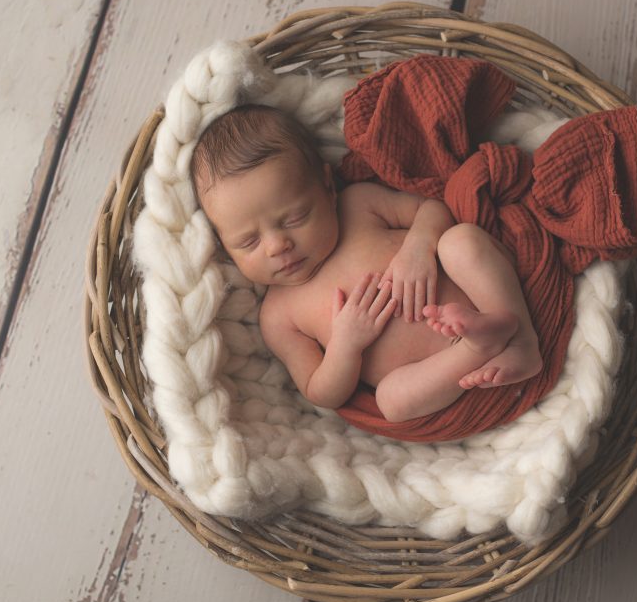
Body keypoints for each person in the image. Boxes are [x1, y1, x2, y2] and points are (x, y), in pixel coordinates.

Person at [191, 104, 542, 423]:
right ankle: (478, 347)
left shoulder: (357, 206)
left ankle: (523, 341)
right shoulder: (279, 315)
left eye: (295, 218)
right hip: (437, 371)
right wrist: (346, 345)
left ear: (327, 187)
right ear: (224, 247)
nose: (277, 245)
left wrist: (418, 247)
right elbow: (320, 391)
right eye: (248, 242)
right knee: (391, 400)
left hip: (479, 297)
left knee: (460, 240)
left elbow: (431, 208)